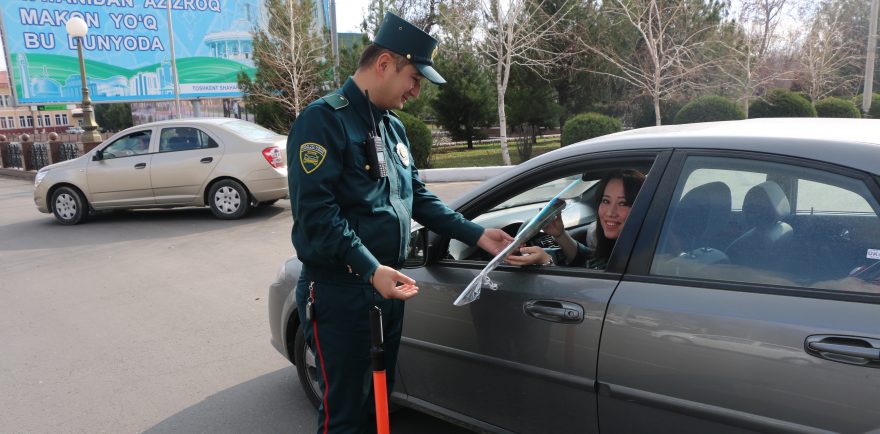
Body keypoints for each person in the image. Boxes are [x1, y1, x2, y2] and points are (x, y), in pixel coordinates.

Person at [287, 12, 512, 434]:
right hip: (342, 293)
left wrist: (477, 234)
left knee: (378, 408)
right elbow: (317, 217)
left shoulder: (392, 127)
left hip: (385, 289)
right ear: (385, 63)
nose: (416, 91)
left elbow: (417, 198)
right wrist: (370, 269)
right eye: (414, 78)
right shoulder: (323, 121)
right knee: (346, 417)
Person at [506, 169, 646, 269]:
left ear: (641, 207)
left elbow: (594, 294)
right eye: (606, 201)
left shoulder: (646, 259)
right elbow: (591, 262)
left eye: (622, 203)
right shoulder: (621, 247)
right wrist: (560, 234)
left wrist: (547, 262)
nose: (610, 212)